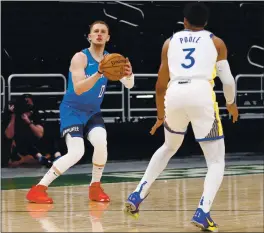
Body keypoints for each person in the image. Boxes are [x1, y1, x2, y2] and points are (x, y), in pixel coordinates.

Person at [124, 2, 238, 232]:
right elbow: (227, 81)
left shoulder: (169, 42)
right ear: (206, 22)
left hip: (175, 94)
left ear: (184, 21)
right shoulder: (216, 42)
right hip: (200, 93)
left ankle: (138, 194)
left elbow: (159, 86)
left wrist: (160, 114)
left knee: (168, 146)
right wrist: (231, 104)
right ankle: (203, 211)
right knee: (216, 161)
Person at [26, 20, 134, 204]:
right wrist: (99, 73)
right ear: (89, 36)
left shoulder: (113, 60)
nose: (99, 34)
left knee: (101, 143)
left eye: (103, 31)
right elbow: (78, 88)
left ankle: (95, 187)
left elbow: (130, 85)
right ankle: (38, 189)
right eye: (96, 31)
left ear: (108, 37)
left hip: (92, 112)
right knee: (77, 152)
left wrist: (129, 74)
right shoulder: (80, 58)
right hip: (72, 110)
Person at [4, 94, 45, 167]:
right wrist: (13, 116)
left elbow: (40, 134)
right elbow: (9, 136)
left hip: (32, 143)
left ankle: (40, 157)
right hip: (17, 145)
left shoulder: (34, 114)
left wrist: (29, 122)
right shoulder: (11, 115)